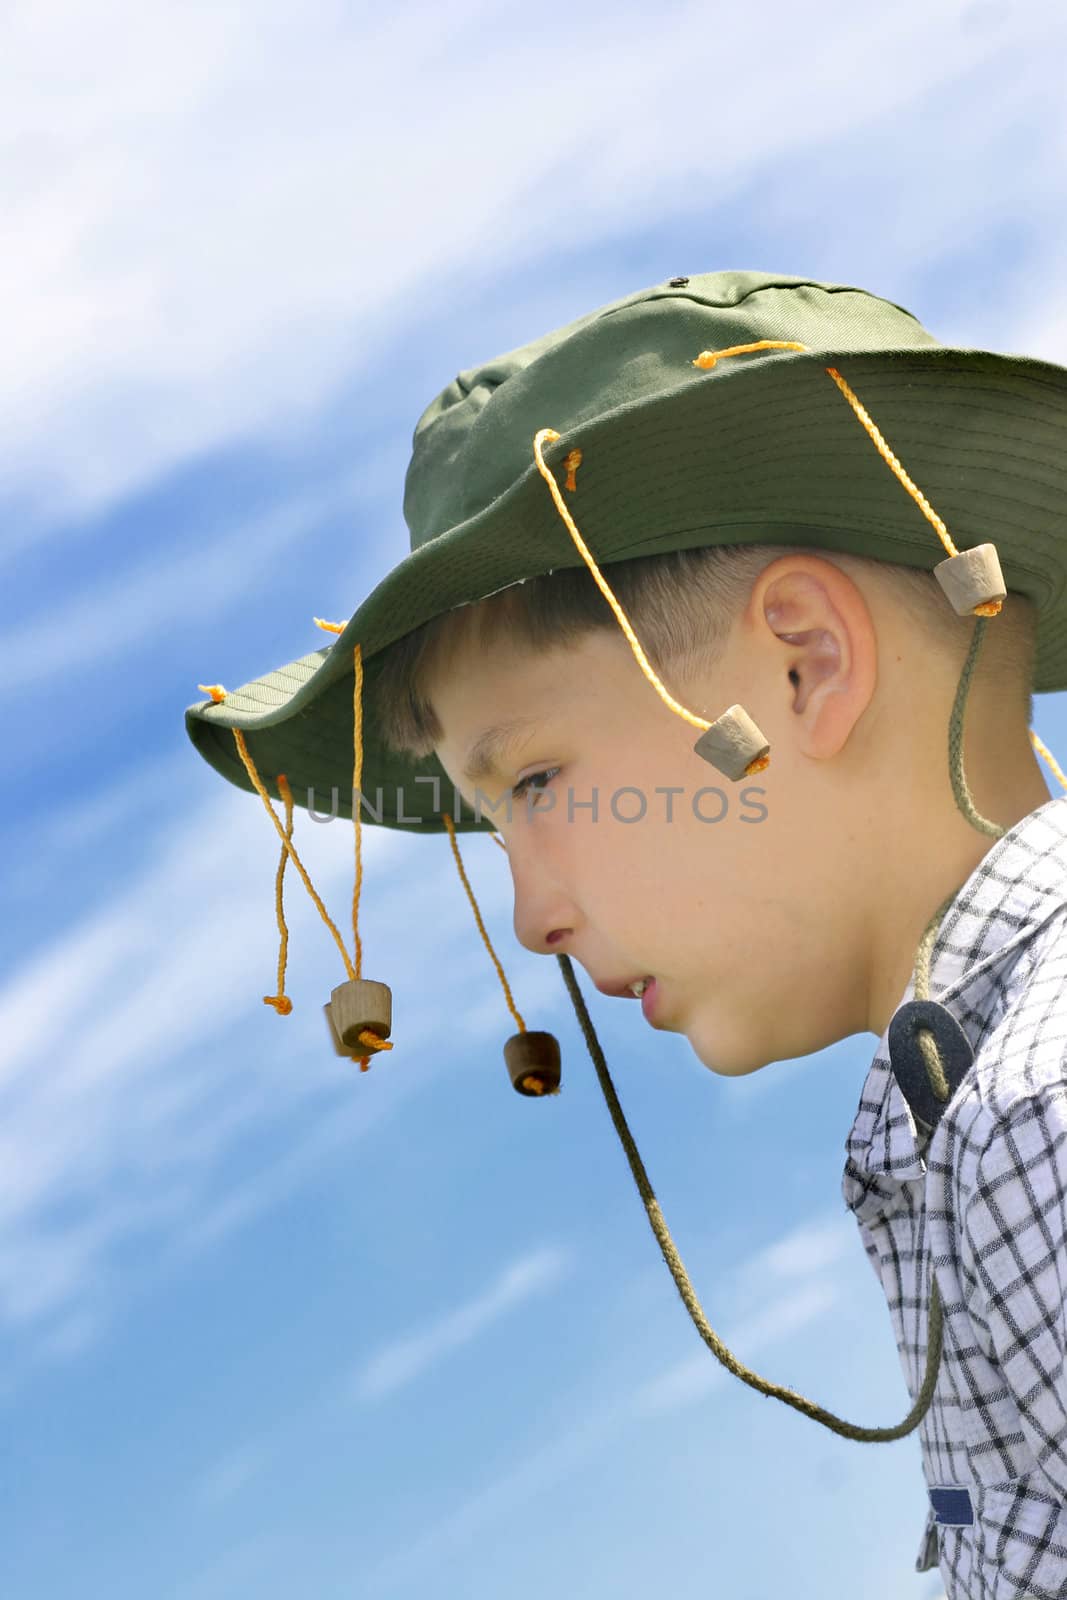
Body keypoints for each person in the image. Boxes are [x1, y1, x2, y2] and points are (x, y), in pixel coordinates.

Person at [186, 271, 1067, 1597]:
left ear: (804, 667)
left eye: (532, 782)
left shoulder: (1038, 1107)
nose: (533, 915)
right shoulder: (965, 1108)